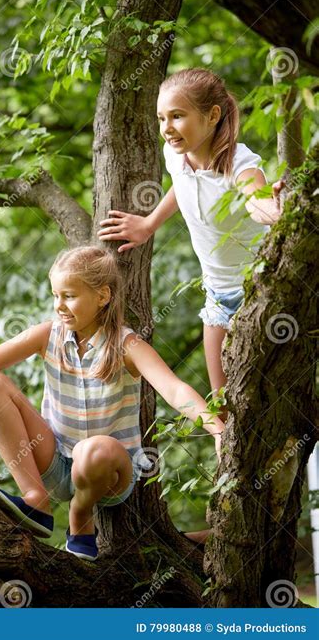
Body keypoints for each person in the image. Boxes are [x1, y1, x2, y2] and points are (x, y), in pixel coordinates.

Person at [0, 245, 224, 561]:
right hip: (58, 460)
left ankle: (80, 516)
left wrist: (217, 430)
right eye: (55, 295)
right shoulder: (49, 335)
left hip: (110, 471)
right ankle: (35, 499)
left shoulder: (125, 344)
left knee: (93, 449)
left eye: (69, 296)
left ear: (102, 296)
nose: (59, 305)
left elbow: (175, 389)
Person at [98, 68, 283, 411]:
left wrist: (279, 207)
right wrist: (148, 224)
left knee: (269, 395)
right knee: (222, 405)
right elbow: (182, 186)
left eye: (178, 116)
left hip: (261, 291)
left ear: (212, 116)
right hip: (218, 296)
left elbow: (258, 204)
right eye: (162, 118)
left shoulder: (239, 166)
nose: (167, 128)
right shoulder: (176, 155)